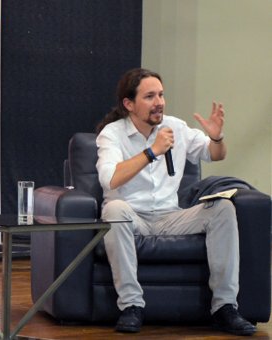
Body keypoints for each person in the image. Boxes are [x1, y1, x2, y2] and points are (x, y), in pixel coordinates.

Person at [95, 68, 256, 336]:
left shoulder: (176, 127)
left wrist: (217, 136)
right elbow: (109, 179)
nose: (159, 101)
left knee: (223, 208)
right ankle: (132, 306)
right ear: (129, 104)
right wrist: (151, 151)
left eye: (161, 94)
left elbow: (215, 154)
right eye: (149, 96)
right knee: (114, 209)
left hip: (170, 217)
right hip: (132, 216)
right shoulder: (112, 134)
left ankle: (225, 308)